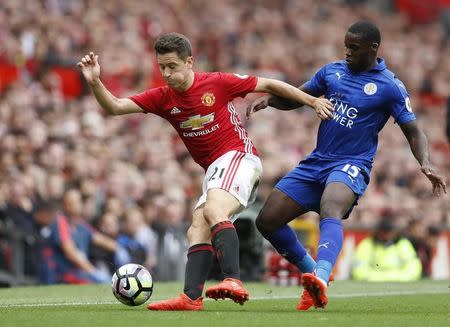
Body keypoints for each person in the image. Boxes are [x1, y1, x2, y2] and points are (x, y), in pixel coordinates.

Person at [77, 32, 333, 311]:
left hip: (239, 157)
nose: (166, 73)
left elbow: (268, 83)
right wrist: (95, 82)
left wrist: (312, 101)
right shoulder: (162, 97)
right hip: (216, 169)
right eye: (161, 67)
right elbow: (115, 107)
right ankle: (191, 297)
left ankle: (233, 280)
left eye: (172, 66)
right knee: (196, 229)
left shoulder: (217, 82)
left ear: (189, 62)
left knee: (213, 211)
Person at [247, 21, 447, 310]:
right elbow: (299, 96)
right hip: (316, 162)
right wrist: (269, 100)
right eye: (346, 46)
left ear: (373, 48)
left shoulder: (389, 86)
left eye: (354, 47)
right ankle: (311, 271)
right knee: (266, 221)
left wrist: (425, 162)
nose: (348, 52)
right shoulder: (332, 71)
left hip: (352, 164)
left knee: (331, 206)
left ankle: (322, 276)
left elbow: (413, 130)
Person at [351, 217, 422, 282]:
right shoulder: (367, 244)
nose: (387, 234)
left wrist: (391, 277)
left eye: (389, 231)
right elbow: (358, 270)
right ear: (379, 232)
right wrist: (388, 277)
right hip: (374, 284)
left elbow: (414, 268)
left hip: (394, 282)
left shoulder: (403, 244)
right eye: (384, 231)